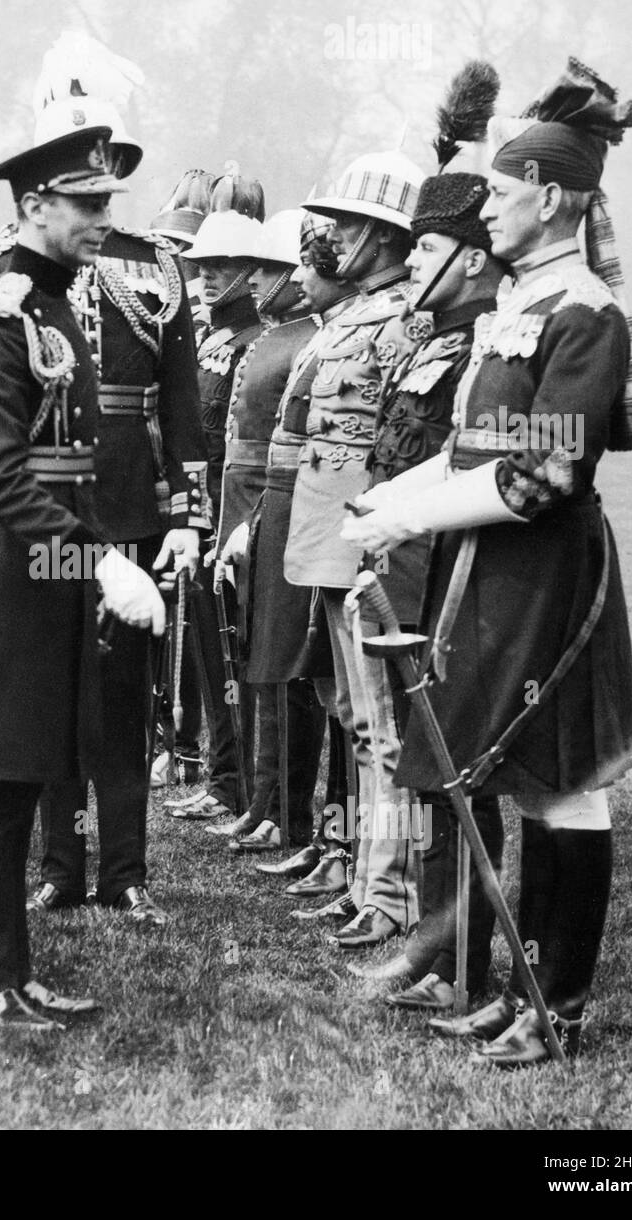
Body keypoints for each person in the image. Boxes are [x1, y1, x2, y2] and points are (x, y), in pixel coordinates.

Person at [345, 58, 632, 1064]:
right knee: (514, 772)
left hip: (550, 567)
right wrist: (394, 493)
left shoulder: (585, 314)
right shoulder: (516, 302)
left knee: (565, 782)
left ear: (551, 200)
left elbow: (541, 475)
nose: (489, 214)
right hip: (490, 562)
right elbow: (474, 446)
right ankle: (519, 989)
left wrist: (409, 515)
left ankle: (556, 1002)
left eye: (506, 197)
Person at [0, 117, 165, 1029]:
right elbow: (2, 471)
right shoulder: (1, 314)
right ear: (32, 207)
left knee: (22, 775)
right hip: (15, 573)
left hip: (51, 569)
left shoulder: (59, 301)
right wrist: (100, 564)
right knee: (1, 781)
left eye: (107, 201)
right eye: (86, 202)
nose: (103, 217)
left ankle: (5, 973)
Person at [0, 91, 204, 923]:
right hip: (53, 498)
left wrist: (187, 513)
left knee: (124, 700)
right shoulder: (14, 267)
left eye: (109, 162)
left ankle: (125, 870)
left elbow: (182, 401)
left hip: (134, 499)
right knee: (54, 688)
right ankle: (59, 867)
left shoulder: (159, 262)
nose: (101, 179)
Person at [341, 62, 507, 1008]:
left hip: (451, 576)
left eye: (427, 249)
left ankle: (456, 952)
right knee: (423, 760)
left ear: (471, 259)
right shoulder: (442, 337)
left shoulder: (487, 344)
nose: (407, 264)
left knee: (455, 766)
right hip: (405, 569)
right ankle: (440, 950)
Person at [282, 147, 427, 949]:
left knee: (381, 728)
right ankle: (369, 881)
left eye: (345, 223)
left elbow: (391, 441)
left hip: (365, 542)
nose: (331, 236)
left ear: (379, 235)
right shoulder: (354, 311)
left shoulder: (405, 316)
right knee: (353, 718)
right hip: (330, 540)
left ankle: (392, 894)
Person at [238, 213, 360, 891]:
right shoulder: (326, 333)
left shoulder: (339, 332)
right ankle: (327, 840)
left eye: (311, 266)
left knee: (343, 699)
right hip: (296, 511)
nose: (304, 278)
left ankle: (341, 846)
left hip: (328, 518)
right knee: (316, 678)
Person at [214, 210, 330, 856]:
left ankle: (288, 807)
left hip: (281, 508)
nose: (254, 283)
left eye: (267, 271)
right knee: (255, 655)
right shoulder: (276, 336)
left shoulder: (306, 337)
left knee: (287, 662)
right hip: (249, 508)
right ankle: (264, 799)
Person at [162, 174, 265, 827]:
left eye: (221, 265)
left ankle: (247, 786)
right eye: (199, 264)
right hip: (199, 512)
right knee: (207, 649)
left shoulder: (259, 341)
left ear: (252, 270)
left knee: (241, 655)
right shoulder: (202, 339)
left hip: (239, 516)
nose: (204, 276)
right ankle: (224, 777)